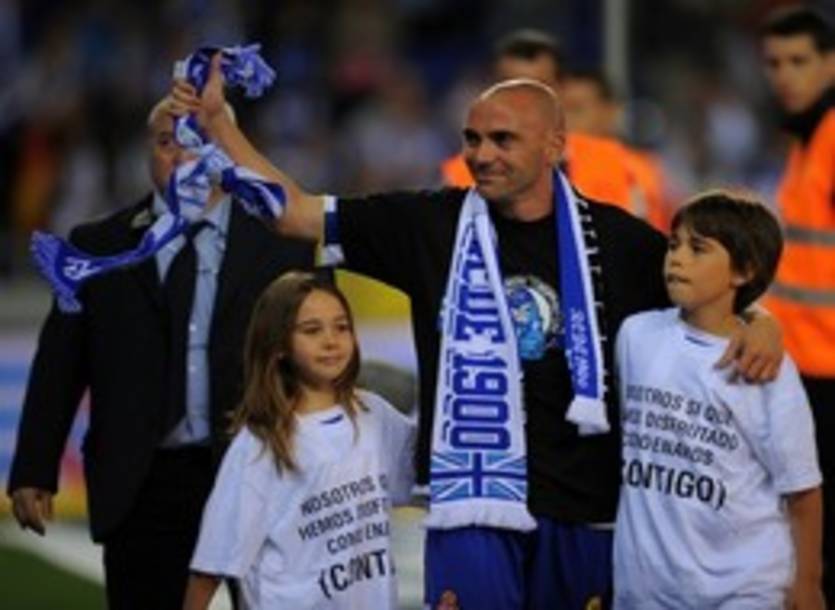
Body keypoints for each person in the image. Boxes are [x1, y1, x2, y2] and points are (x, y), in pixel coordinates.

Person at [172, 60, 783, 610]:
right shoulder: (426, 224)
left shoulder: (620, 241)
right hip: (470, 513)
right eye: (472, 139)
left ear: (555, 145)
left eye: (502, 139)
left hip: (585, 514)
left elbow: (709, 299)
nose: (482, 154)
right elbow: (293, 212)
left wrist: (762, 322)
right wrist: (220, 124)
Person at [6, 97, 318, 610]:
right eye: (167, 142)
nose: (181, 155)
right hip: (142, 482)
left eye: (199, 141)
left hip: (259, 471)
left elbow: (314, 360)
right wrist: (34, 469)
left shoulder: (284, 244)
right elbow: (60, 364)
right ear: (147, 152)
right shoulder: (96, 245)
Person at [613, 190, 823, 609]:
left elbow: (802, 489)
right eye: (674, 245)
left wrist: (807, 583)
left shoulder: (765, 368)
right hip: (645, 590)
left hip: (743, 590)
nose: (677, 258)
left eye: (698, 248)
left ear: (743, 270)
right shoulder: (636, 335)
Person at [183, 271, 415, 610]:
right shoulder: (260, 445)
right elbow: (211, 565)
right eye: (312, 330)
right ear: (278, 345)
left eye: (341, 327)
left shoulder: (373, 414)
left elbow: (433, 481)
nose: (331, 341)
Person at [759, 6, 835, 604]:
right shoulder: (808, 137)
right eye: (775, 63)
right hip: (806, 366)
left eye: (799, 61)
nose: (785, 75)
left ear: (830, 63)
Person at [441, 28, 637, 213]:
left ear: (562, 90)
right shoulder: (460, 176)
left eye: (538, 87)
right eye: (508, 87)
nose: (521, 101)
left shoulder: (618, 167)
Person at [562, 67, 672, 231]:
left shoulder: (636, 171)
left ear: (610, 111)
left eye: (576, 109)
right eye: (558, 110)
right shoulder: (552, 169)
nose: (564, 120)